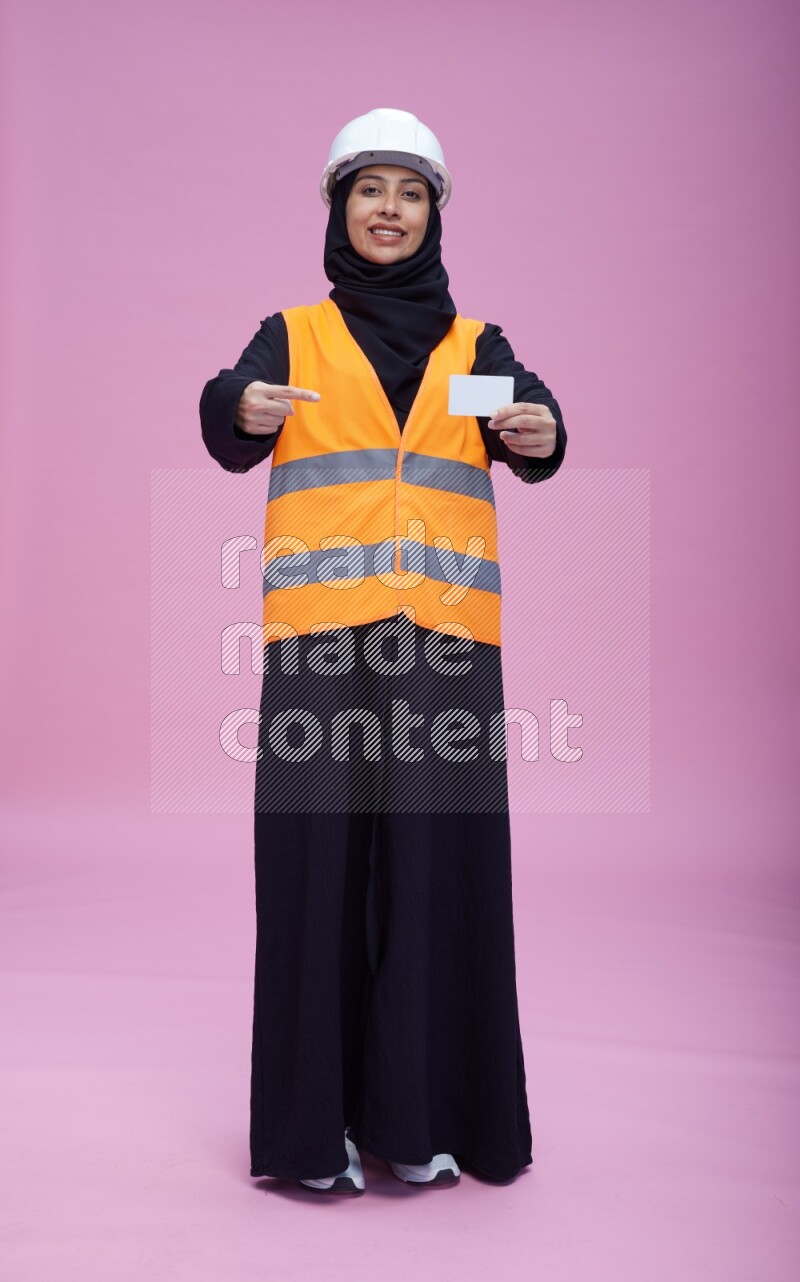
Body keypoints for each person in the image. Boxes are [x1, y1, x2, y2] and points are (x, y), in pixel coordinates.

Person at [199, 107, 567, 1195]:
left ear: (434, 214)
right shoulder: (292, 337)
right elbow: (228, 414)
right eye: (370, 189)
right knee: (315, 872)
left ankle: (423, 1121)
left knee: (435, 871)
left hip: (445, 649)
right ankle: (310, 1135)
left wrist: (543, 433)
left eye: (410, 193)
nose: (389, 210)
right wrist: (239, 406)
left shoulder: (473, 349)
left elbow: (533, 423)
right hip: (320, 648)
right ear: (338, 206)